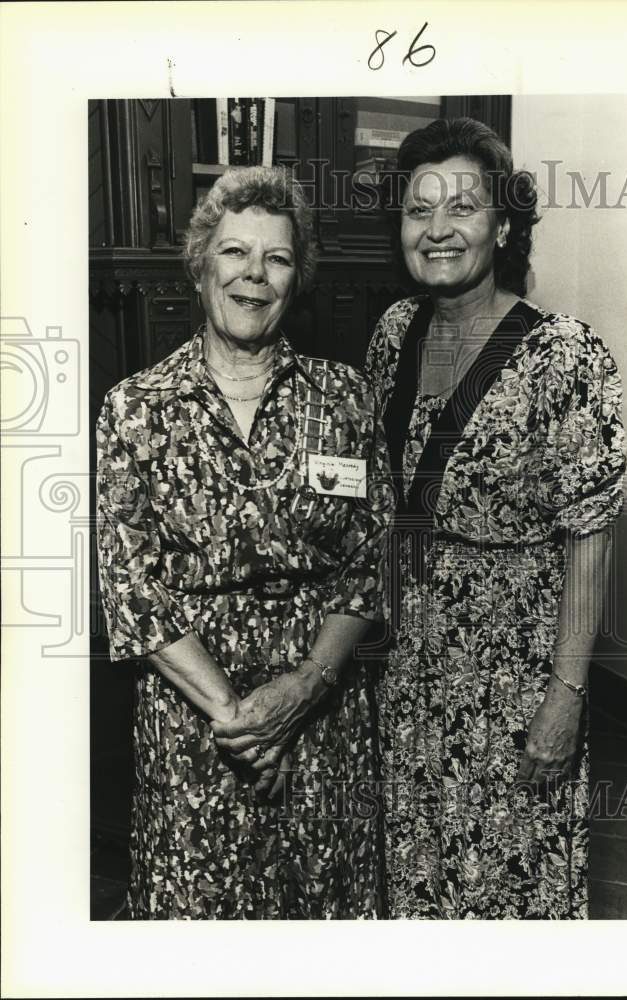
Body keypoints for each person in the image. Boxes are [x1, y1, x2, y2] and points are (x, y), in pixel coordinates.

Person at [96, 165, 392, 919]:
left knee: (324, 916)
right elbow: (133, 592)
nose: (253, 276)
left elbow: (370, 563)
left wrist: (297, 695)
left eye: (278, 259)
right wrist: (241, 720)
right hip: (196, 722)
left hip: (322, 712)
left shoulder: (347, 398)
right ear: (201, 266)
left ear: (298, 281)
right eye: (234, 253)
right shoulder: (135, 410)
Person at [366, 118, 627, 918]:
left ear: (503, 225)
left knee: (512, 878)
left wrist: (567, 693)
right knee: (420, 863)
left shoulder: (566, 356)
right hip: (409, 663)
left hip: (514, 672)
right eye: (419, 210)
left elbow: (591, 534)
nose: (438, 229)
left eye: (463, 208)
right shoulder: (393, 333)